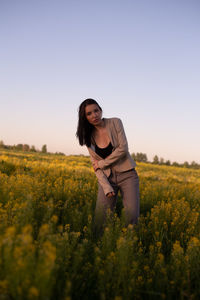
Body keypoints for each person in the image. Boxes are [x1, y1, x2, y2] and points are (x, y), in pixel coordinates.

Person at [76, 98, 140, 236]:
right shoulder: (88, 137)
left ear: (100, 110)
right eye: (89, 113)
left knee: (132, 216)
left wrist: (102, 163)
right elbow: (95, 166)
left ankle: (126, 245)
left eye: (96, 110)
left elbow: (123, 149)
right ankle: (97, 247)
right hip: (107, 179)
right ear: (84, 117)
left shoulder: (115, 122)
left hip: (128, 175)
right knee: (100, 219)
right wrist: (106, 186)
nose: (94, 115)